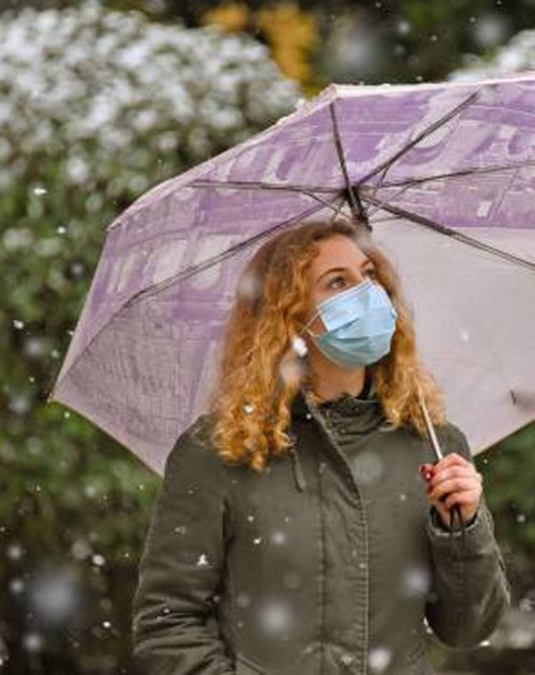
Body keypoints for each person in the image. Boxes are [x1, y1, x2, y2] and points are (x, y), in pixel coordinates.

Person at [130, 214, 511, 674]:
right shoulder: (219, 451)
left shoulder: (431, 442)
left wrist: (462, 529)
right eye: (337, 282)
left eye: (369, 276)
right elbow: (168, 623)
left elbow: (468, 627)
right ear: (289, 315)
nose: (366, 294)